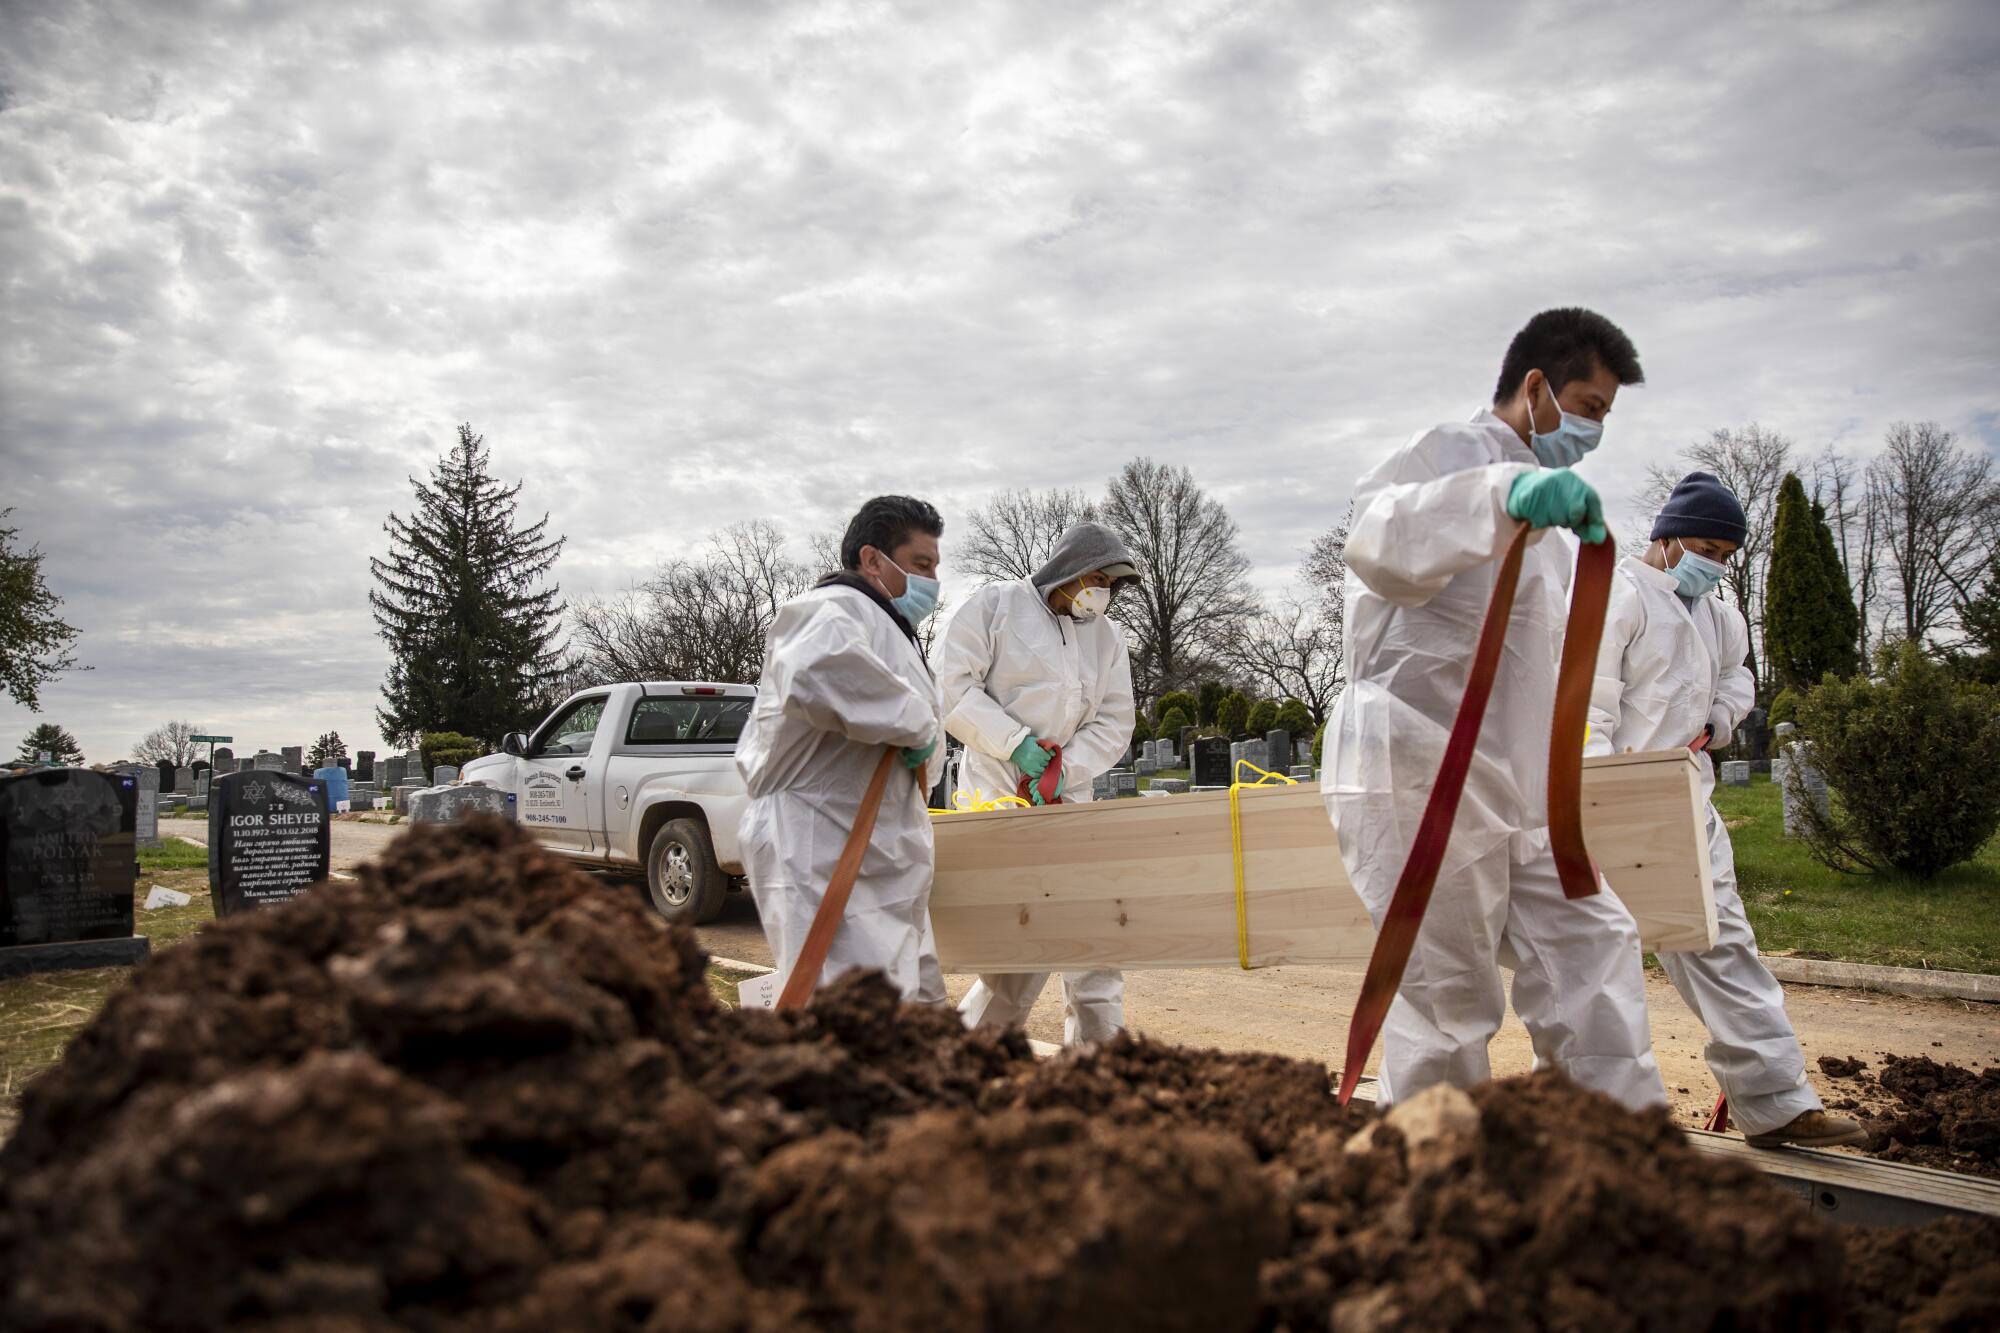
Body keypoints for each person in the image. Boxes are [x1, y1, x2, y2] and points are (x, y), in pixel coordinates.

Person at [1323, 307, 1668, 1112]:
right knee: (1446, 998)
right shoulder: (1448, 452)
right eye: (1586, 407)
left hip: (1516, 783)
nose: (1593, 431)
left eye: (1605, 417)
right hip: (1417, 758)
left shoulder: (1551, 515)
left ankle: (1620, 1148)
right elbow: (1380, 544)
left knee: (1593, 943)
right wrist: (1507, 490)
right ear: (1537, 386)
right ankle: (1434, 1181)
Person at [1588, 474, 1866, 1146]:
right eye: (1706, 546)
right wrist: (1599, 795)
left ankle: (1776, 1103)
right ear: (1666, 536)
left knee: (1724, 943)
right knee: (1595, 961)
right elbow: (1586, 705)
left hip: (1687, 795)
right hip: (1611, 799)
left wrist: (1717, 720)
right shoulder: (1613, 598)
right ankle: (1605, 1123)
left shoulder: (1718, 612)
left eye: (1726, 553)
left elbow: (1737, 675)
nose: (1715, 563)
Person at [736, 495, 949, 1003]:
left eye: (936, 567)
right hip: (819, 844)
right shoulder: (829, 609)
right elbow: (816, 672)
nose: (932, 581)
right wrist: (918, 726)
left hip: (876, 847)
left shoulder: (890, 627)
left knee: (909, 1006)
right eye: (921, 564)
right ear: (873, 559)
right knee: (843, 1008)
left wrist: (924, 738)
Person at [937, 521, 1140, 1044]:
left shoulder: (1106, 638)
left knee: (1091, 933)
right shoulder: (994, 608)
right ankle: (967, 1057)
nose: (1103, 593)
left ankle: (1100, 1060)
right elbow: (954, 688)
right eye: (1097, 578)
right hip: (998, 792)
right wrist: (1016, 745)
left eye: (1111, 585)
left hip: (1069, 797)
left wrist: (1061, 769)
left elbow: (1116, 719)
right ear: (1067, 570)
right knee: (1018, 945)